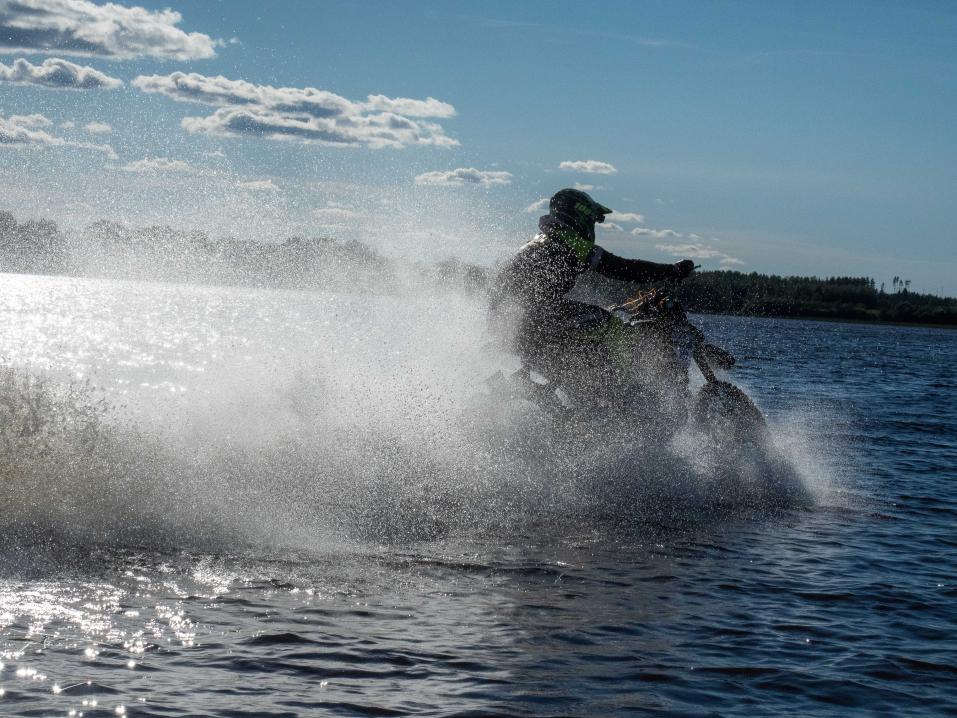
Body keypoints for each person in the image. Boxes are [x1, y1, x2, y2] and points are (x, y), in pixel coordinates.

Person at [490, 188, 695, 407]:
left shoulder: (540, 240)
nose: (593, 226)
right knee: (611, 323)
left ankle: (585, 401)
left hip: (512, 324)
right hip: (535, 319)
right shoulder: (568, 239)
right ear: (580, 215)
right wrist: (671, 270)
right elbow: (621, 268)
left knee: (591, 338)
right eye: (592, 220)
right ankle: (626, 395)